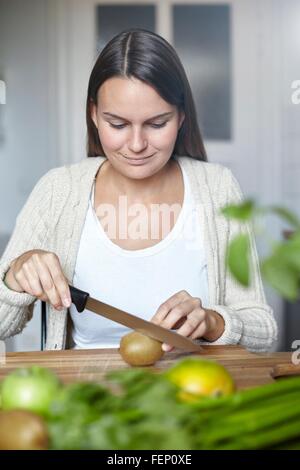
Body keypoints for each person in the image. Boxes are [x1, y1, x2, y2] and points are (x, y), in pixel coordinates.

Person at [0, 29, 277, 352]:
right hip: (84, 395)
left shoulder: (218, 188)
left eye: (157, 124)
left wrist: (214, 322)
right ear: (93, 115)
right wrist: (15, 277)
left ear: (181, 116)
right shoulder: (57, 190)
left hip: (196, 395)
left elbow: (265, 336)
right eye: (117, 124)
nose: (136, 145)